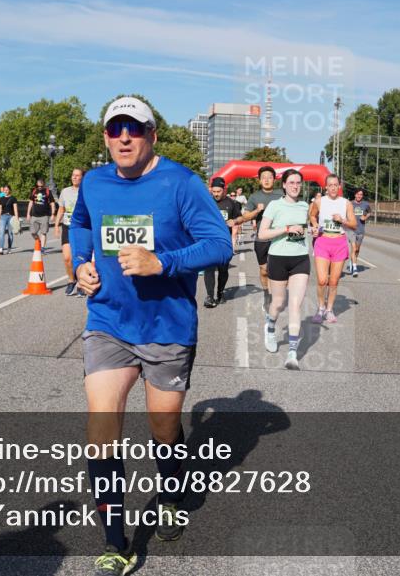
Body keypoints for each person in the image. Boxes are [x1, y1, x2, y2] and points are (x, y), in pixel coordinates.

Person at [70, 96, 231, 575]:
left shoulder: (181, 183)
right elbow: (80, 224)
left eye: (134, 129)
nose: (124, 137)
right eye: (115, 128)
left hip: (166, 327)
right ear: (105, 136)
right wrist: (81, 264)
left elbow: (220, 244)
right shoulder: (95, 182)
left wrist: (164, 263)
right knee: (102, 430)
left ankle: (171, 489)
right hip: (108, 321)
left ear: (152, 135)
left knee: (163, 431)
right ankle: (116, 543)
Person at [257, 169, 310, 370]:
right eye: (292, 182)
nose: (296, 186)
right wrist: (286, 229)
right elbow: (262, 234)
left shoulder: (305, 205)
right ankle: (270, 327)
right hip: (278, 258)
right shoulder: (275, 205)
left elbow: (305, 230)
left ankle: (292, 354)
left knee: (295, 305)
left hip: (300, 259)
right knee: (278, 304)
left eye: (298, 182)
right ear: (285, 185)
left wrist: (311, 232)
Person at [235, 166, 284, 315]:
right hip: (261, 239)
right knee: (264, 270)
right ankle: (266, 294)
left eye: (270, 177)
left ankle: (277, 296)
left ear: (274, 179)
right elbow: (245, 217)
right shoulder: (254, 197)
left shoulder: (282, 195)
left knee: (278, 270)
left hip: (280, 238)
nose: (267, 180)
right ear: (259, 180)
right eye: (264, 177)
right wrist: (257, 210)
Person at [309, 174, 356, 324]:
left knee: (334, 281)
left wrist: (342, 220)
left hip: (339, 243)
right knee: (322, 280)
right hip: (323, 241)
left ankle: (329, 310)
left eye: (336, 185)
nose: (333, 187)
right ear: (326, 187)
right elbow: (312, 216)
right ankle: (320, 308)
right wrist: (315, 226)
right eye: (331, 185)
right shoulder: (319, 201)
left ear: (339, 186)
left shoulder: (346, 203)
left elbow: (354, 224)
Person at [202, 177, 241, 307]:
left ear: (224, 190)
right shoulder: (206, 202)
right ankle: (209, 296)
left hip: (224, 242)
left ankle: (220, 292)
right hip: (209, 241)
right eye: (214, 191)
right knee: (209, 269)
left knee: (223, 270)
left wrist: (234, 221)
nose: (216, 194)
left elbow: (239, 217)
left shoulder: (231, 203)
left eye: (219, 191)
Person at [55, 168, 84, 295]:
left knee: (82, 257)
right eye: (73, 175)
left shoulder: (86, 191)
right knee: (67, 258)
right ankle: (71, 280)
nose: (74, 177)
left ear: (82, 178)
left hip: (82, 227)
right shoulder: (65, 192)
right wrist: (56, 225)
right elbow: (61, 209)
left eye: (78, 176)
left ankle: (81, 284)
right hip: (67, 226)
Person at [26, 178, 56, 254]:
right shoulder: (34, 191)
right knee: (33, 232)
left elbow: (52, 203)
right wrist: (28, 214)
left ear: (43, 185)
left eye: (41, 186)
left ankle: (42, 248)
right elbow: (30, 202)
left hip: (44, 216)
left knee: (43, 232)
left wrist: (53, 214)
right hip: (34, 215)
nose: (39, 187)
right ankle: (38, 241)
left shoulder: (47, 192)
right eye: (38, 186)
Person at [346, 189, 371, 277]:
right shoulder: (350, 203)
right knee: (353, 248)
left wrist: (365, 217)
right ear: (355, 195)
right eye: (358, 194)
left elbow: (369, 212)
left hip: (361, 230)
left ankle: (352, 261)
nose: (359, 196)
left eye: (361, 194)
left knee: (357, 249)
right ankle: (355, 269)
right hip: (351, 229)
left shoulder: (366, 204)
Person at [0, 184, 19, 254]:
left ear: (10, 190)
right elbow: (0, 208)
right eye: (4, 190)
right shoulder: (2, 198)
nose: (6, 191)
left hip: (11, 217)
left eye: (7, 190)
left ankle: (9, 248)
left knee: (10, 233)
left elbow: (15, 209)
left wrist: (17, 219)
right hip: (3, 217)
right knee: (1, 232)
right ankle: (1, 248)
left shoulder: (13, 198)